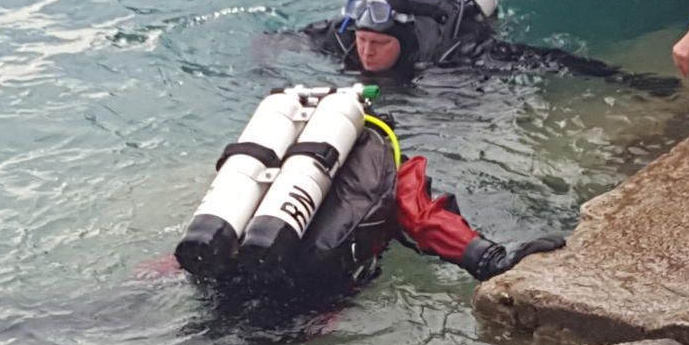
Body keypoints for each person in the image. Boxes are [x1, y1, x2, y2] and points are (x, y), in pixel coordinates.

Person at [170, 120, 565, 292]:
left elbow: (223, 214)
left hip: (219, 277)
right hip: (313, 301)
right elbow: (423, 218)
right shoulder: (388, 161)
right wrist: (488, 257)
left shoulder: (268, 158)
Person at [302, 0, 680, 95]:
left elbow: (544, 60)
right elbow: (284, 40)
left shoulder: (450, 52)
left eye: (378, 45)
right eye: (362, 41)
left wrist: (626, 80)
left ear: (401, 39)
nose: (365, 52)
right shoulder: (345, 39)